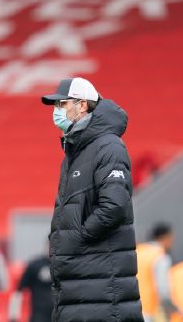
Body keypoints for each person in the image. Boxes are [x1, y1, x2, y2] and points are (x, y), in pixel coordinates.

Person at [41, 77, 143, 322]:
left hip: (100, 286)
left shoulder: (108, 146)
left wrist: (77, 239)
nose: (57, 111)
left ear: (83, 105)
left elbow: (114, 206)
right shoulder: (77, 150)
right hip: (84, 285)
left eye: (62, 104)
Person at [136, 223, 179, 322]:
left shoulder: (138, 250)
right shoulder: (160, 256)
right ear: (165, 237)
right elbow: (163, 290)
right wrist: (173, 308)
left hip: (132, 309)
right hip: (150, 313)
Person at [8, 250, 52, 322]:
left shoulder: (63, 266)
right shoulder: (35, 265)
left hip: (59, 314)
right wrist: (13, 314)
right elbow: (19, 290)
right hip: (39, 314)